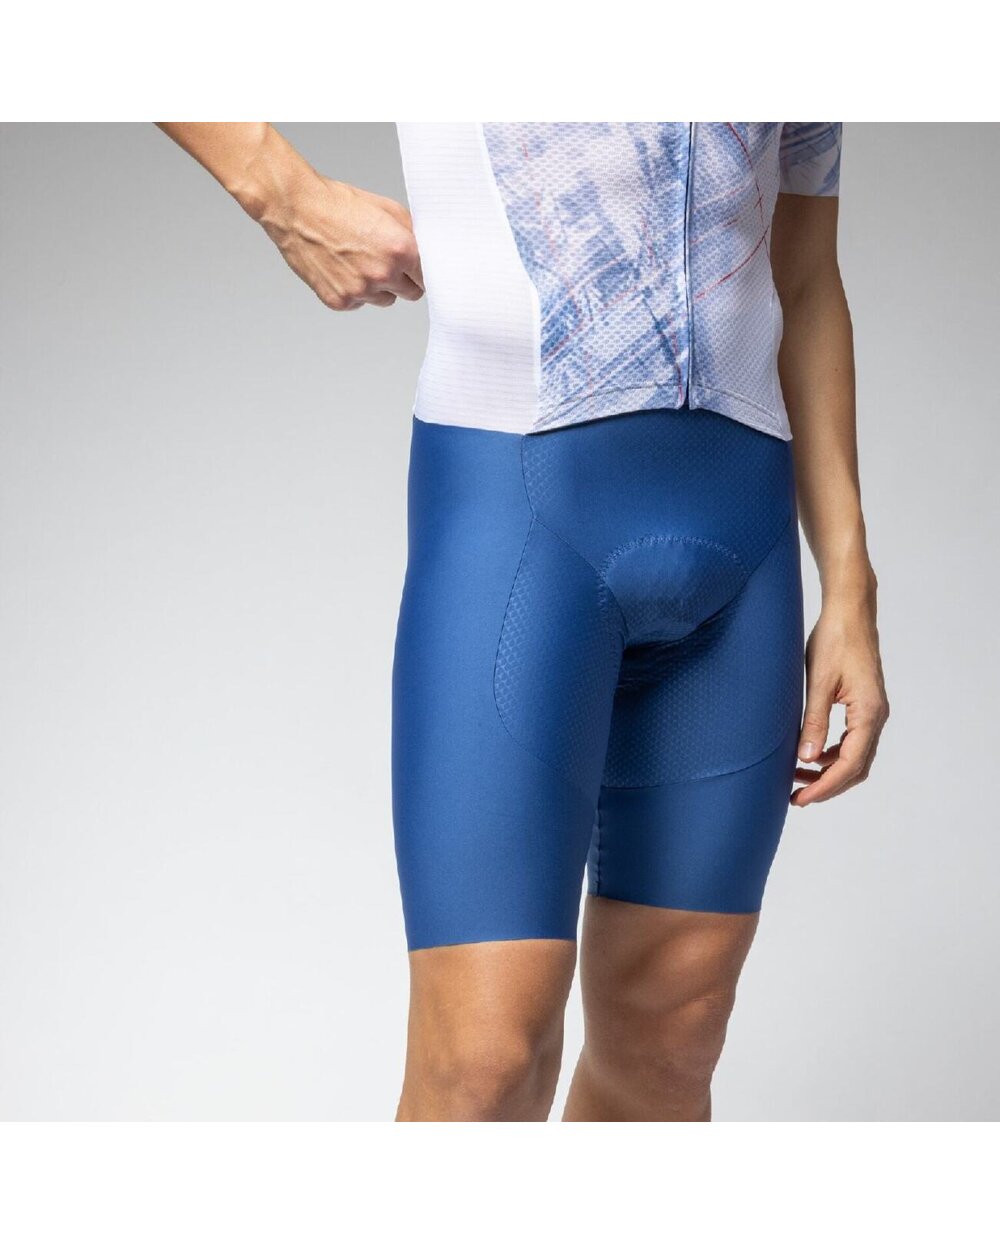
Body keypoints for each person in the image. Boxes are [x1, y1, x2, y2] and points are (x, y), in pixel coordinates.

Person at [157, 122, 890, 1122]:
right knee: (483, 1064)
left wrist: (849, 585)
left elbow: (803, 277)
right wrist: (282, 192)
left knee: (671, 1048)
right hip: (519, 518)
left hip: (742, 544)